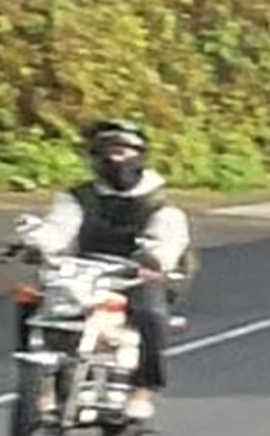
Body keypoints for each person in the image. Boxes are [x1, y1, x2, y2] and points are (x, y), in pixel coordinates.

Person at [18, 119, 194, 390]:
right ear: (96, 157)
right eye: (109, 152)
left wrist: (153, 261)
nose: (117, 159)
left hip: (136, 277)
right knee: (31, 300)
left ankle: (143, 391)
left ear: (140, 155)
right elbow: (58, 228)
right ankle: (33, 380)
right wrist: (37, 243)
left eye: (125, 152)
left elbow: (168, 239)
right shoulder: (77, 198)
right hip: (83, 272)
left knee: (150, 314)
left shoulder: (159, 203)